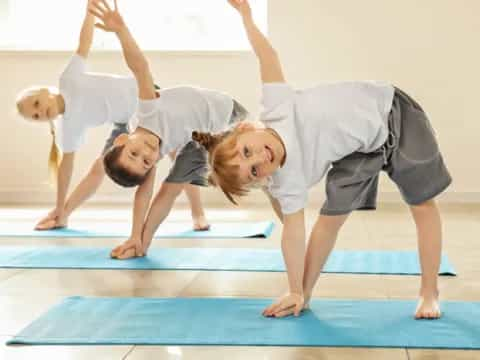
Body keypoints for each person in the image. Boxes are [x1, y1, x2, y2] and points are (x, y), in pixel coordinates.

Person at [193, 0, 452, 319]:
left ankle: (429, 292)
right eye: (254, 170)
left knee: (423, 204)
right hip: (360, 150)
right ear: (261, 179)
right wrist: (294, 289)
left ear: (247, 128)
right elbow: (292, 234)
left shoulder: (277, 108)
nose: (259, 158)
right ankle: (305, 294)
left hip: (392, 113)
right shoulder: (287, 182)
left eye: (248, 151)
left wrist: (246, 15)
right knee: (329, 219)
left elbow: (267, 56)